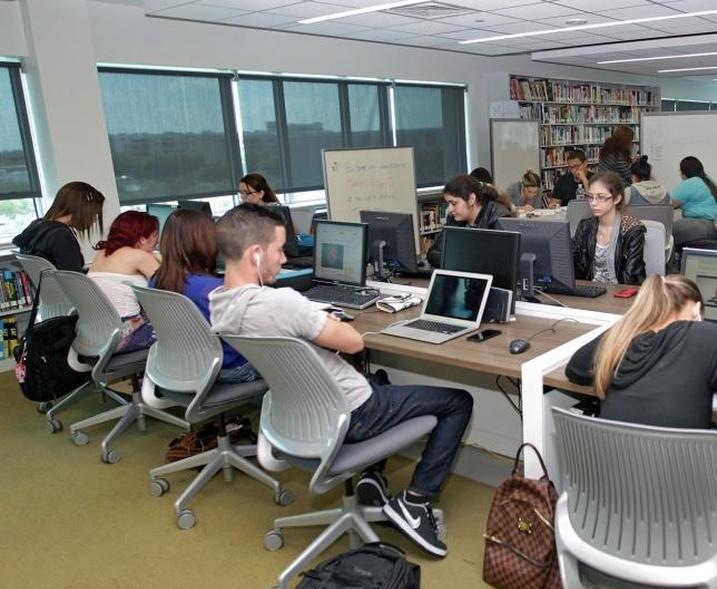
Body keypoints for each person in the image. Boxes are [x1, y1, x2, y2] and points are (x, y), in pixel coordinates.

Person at [209, 204, 472, 558]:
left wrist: (312, 317)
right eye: (279, 250)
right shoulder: (282, 303)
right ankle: (415, 500)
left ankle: (370, 481)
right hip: (353, 413)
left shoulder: (220, 305)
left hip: (301, 418)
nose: (285, 259)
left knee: (379, 377)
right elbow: (354, 342)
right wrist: (317, 317)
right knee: (458, 401)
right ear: (255, 254)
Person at [564, 274, 717, 539]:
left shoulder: (625, 341)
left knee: (702, 434)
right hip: (690, 526)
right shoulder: (707, 336)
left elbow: (575, 369)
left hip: (619, 521)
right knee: (712, 438)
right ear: (697, 310)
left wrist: (630, 325)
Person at [150, 208, 259, 383]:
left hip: (184, 365)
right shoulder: (213, 290)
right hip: (229, 368)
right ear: (204, 242)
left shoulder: (156, 280)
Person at [88, 210, 160, 353]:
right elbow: (172, 286)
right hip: (124, 334)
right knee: (188, 333)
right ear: (142, 239)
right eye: (155, 235)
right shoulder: (138, 256)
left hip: (96, 332)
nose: (157, 241)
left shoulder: (102, 253)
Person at [571, 172, 646, 286]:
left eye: (601, 197)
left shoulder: (632, 230)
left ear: (616, 199)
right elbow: (575, 266)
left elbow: (631, 277)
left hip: (620, 294)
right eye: (590, 197)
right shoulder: (585, 226)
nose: (593, 203)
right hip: (591, 291)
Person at [13, 181, 105, 272]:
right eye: (95, 213)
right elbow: (74, 279)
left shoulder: (37, 226)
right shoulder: (60, 235)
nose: (95, 220)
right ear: (83, 209)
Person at [426, 174, 511, 267]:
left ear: (471, 199)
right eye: (448, 204)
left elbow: (500, 262)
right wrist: (459, 261)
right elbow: (433, 254)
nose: (449, 209)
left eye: (454, 203)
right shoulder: (454, 219)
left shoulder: (497, 218)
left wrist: (458, 260)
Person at [671, 156, 717, 221]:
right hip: (714, 221)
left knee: (668, 228)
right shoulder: (705, 181)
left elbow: (670, 204)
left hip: (703, 221)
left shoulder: (691, 183)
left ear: (684, 171)